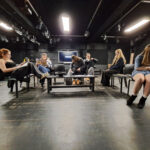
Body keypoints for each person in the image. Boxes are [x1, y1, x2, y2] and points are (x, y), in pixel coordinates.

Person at [127, 44, 150, 109]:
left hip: (148, 72)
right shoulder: (139, 57)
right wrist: (147, 68)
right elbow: (137, 68)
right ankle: (133, 96)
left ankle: (143, 99)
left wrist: (146, 68)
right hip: (138, 72)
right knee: (140, 79)